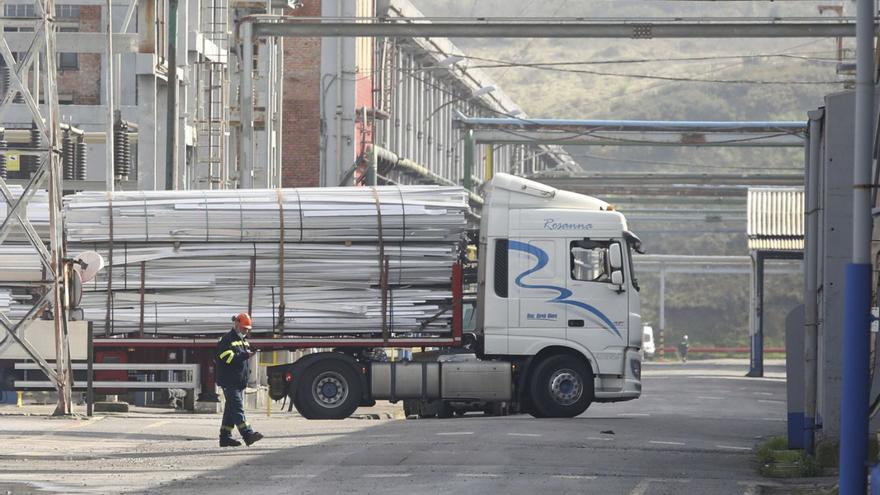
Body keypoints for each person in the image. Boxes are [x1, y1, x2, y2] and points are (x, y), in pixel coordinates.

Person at [216, 312, 263, 447]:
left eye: (248, 329)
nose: (246, 331)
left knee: (231, 410)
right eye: (244, 328)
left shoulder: (241, 340)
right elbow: (227, 358)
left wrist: (249, 351)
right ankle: (248, 435)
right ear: (236, 324)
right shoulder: (227, 340)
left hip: (237, 381)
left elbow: (241, 355)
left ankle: (224, 438)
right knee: (237, 409)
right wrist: (245, 355)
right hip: (229, 381)